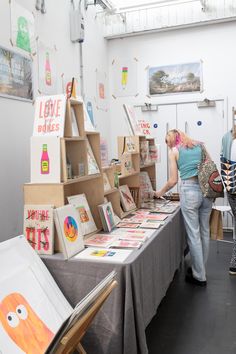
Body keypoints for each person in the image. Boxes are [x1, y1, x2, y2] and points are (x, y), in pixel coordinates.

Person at [155, 129, 213, 286]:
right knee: (204, 232)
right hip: (207, 190)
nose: (168, 146)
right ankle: (199, 269)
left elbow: (173, 180)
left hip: (190, 191)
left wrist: (159, 192)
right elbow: (210, 169)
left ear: (172, 140)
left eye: (167, 142)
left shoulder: (174, 151)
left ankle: (199, 276)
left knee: (193, 235)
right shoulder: (200, 145)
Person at [220, 129, 236, 275]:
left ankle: (234, 263)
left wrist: (227, 185)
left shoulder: (226, 137)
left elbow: (222, 161)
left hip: (231, 187)